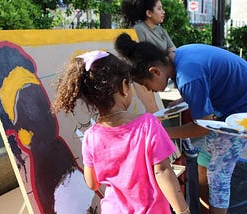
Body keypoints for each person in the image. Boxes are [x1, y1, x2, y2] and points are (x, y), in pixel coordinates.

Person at [114, 33, 247, 214]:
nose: (148, 90)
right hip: (228, 106)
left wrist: (160, 132)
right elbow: (206, 83)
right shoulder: (178, 57)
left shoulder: (188, 76)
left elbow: (202, 127)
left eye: (145, 84)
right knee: (204, 163)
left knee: (218, 176)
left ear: (155, 71)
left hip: (239, 111)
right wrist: (188, 99)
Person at [51, 50, 189, 213]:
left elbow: (92, 183)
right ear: (124, 87)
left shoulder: (90, 137)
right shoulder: (148, 124)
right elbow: (163, 171)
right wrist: (183, 210)